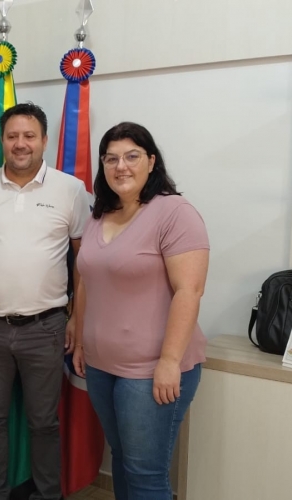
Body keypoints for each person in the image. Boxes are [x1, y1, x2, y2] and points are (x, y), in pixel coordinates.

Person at [0, 102, 91, 500]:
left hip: (46, 328)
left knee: (44, 422)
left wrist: (74, 318)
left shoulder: (71, 189)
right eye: (12, 136)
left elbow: (84, 258)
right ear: (2, 140)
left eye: (29, 136)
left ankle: (48, 494)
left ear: (44, 140)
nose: (20, 144)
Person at [72, 122, 210, 500]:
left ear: (151, 161)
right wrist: (82, 341)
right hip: (102, 365)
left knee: (146, 475)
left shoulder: (174, 212)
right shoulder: (101, 213)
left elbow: (190, 290)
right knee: (122, 462)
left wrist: (169, 360)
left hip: (150, 370)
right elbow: (87, 282)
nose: (121, 166)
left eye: (132, 156)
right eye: (111, 158)